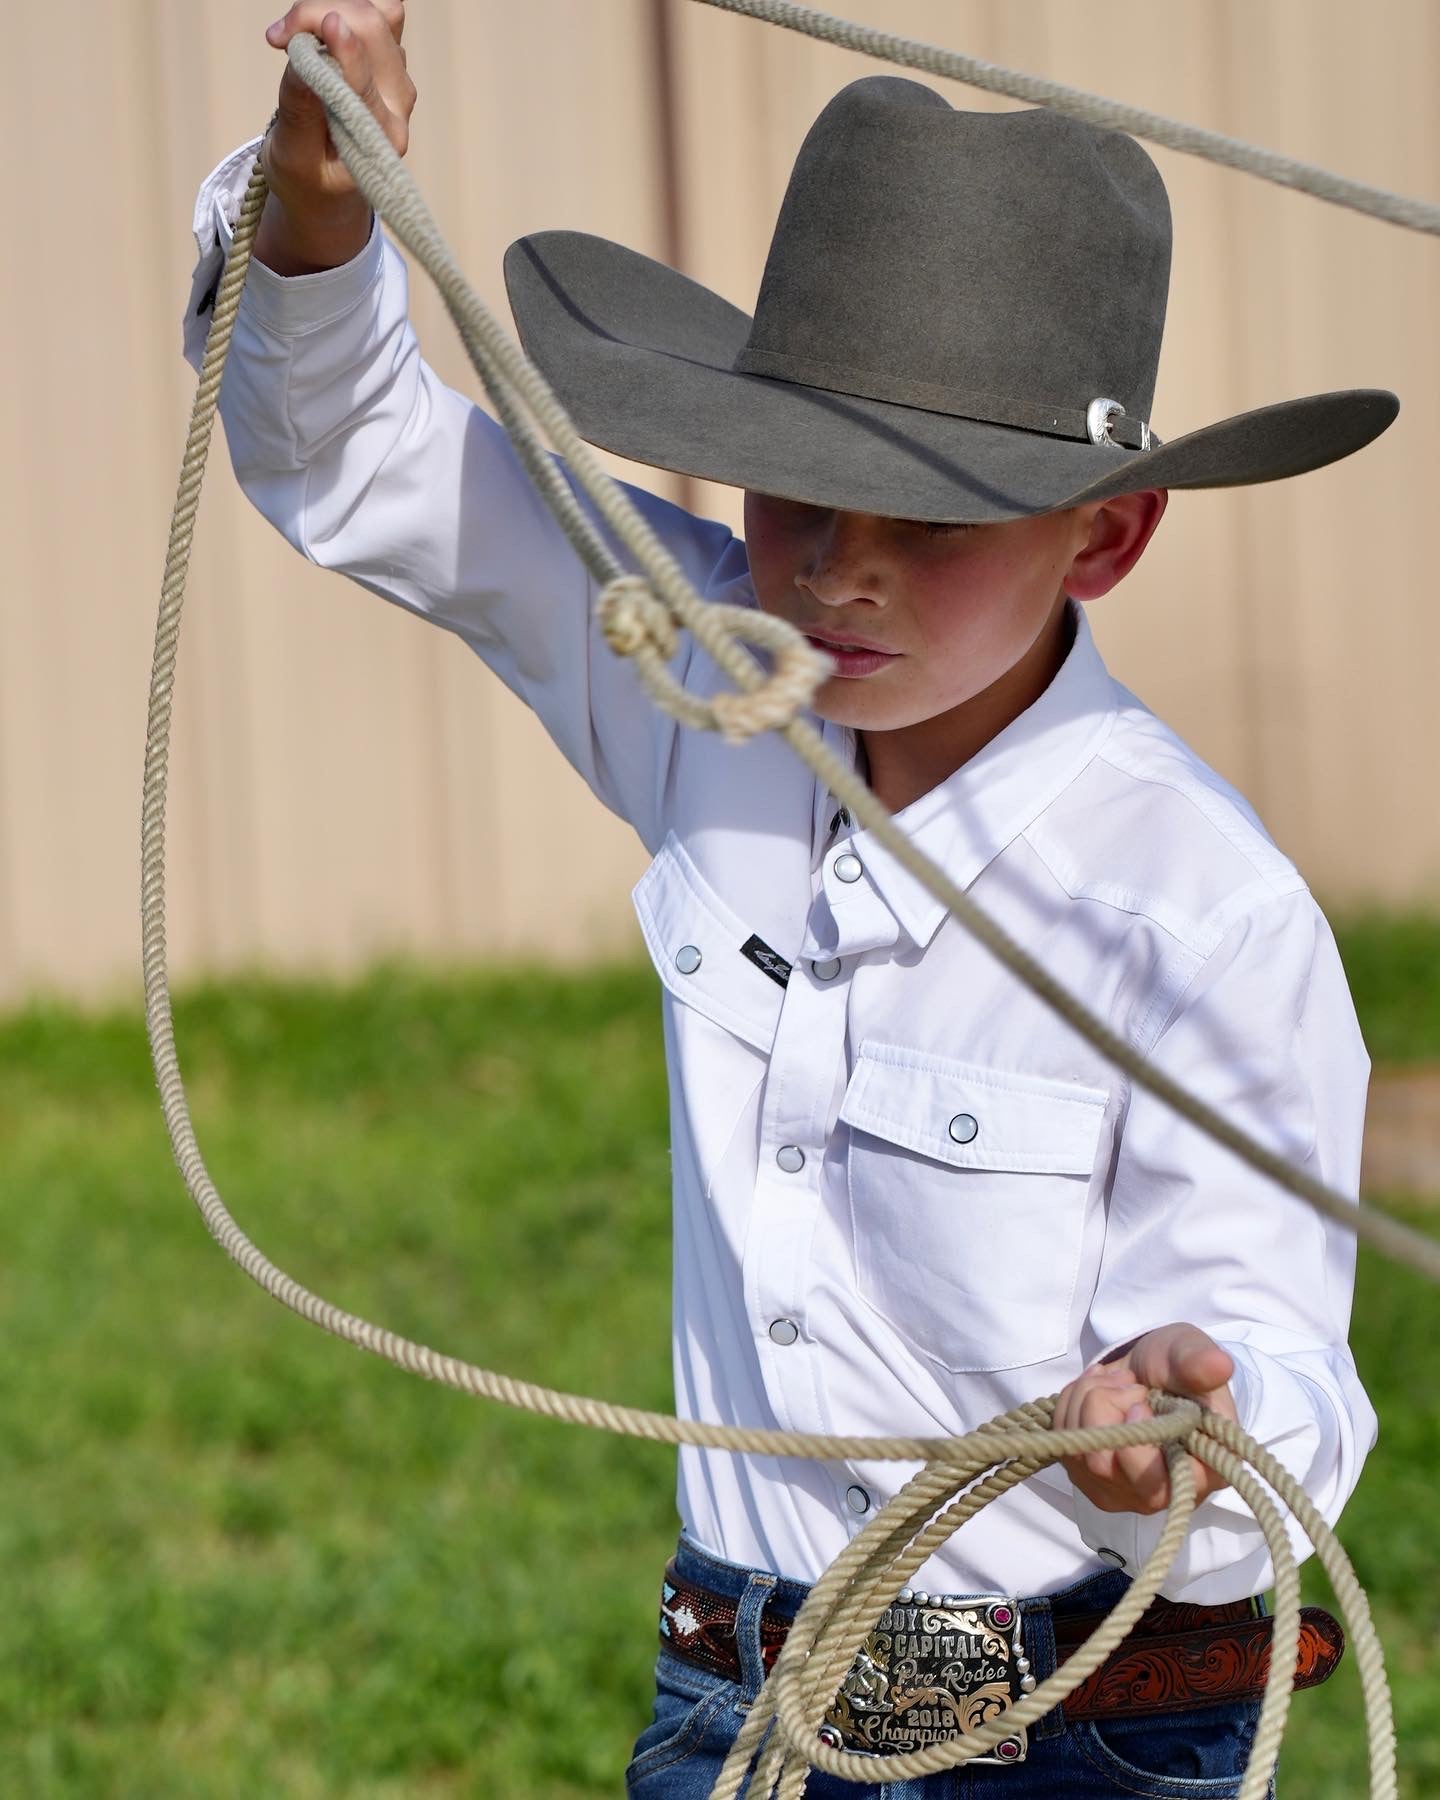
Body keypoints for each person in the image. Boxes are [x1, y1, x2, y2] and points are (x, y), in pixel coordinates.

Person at [185, 6, 1395, 1794]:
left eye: (937, 521)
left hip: (1071, 1729)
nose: (841, 568)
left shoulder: (1194, 906)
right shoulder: (713, 686)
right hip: (734, 1694)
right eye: (797, 490)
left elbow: (1280, 1361)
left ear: (1107, 536)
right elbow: (364, 458)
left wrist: (1184, 1431)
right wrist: (316, 203)